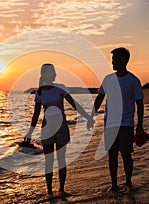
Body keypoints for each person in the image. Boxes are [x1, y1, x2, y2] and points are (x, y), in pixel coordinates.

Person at [25, 63, 94, 200]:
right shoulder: (40, 92)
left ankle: (62, 190)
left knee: (61, 160)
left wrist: (88, 118)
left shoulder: (60, 88)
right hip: (47, 128)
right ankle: (49, 192)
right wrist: (30, 132)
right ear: (44, 75)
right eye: (49, 72)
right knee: (49, 161)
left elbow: (74, 104)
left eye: (53, 72)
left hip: (61, 126)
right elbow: (36, 113)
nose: (52, 74)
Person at [88, 47, 145, 191]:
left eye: (116, 59)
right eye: (112, 59)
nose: (113, 62)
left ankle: (128, 182)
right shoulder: (108, 79)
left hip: (126, 124)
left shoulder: (133, 80)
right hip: (110, 125)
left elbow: (139, 103)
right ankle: (114, 185)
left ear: (124, 60)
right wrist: (90, 117)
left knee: (126, 155)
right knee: (112, 156)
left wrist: (140, 125)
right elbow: (100, 98)